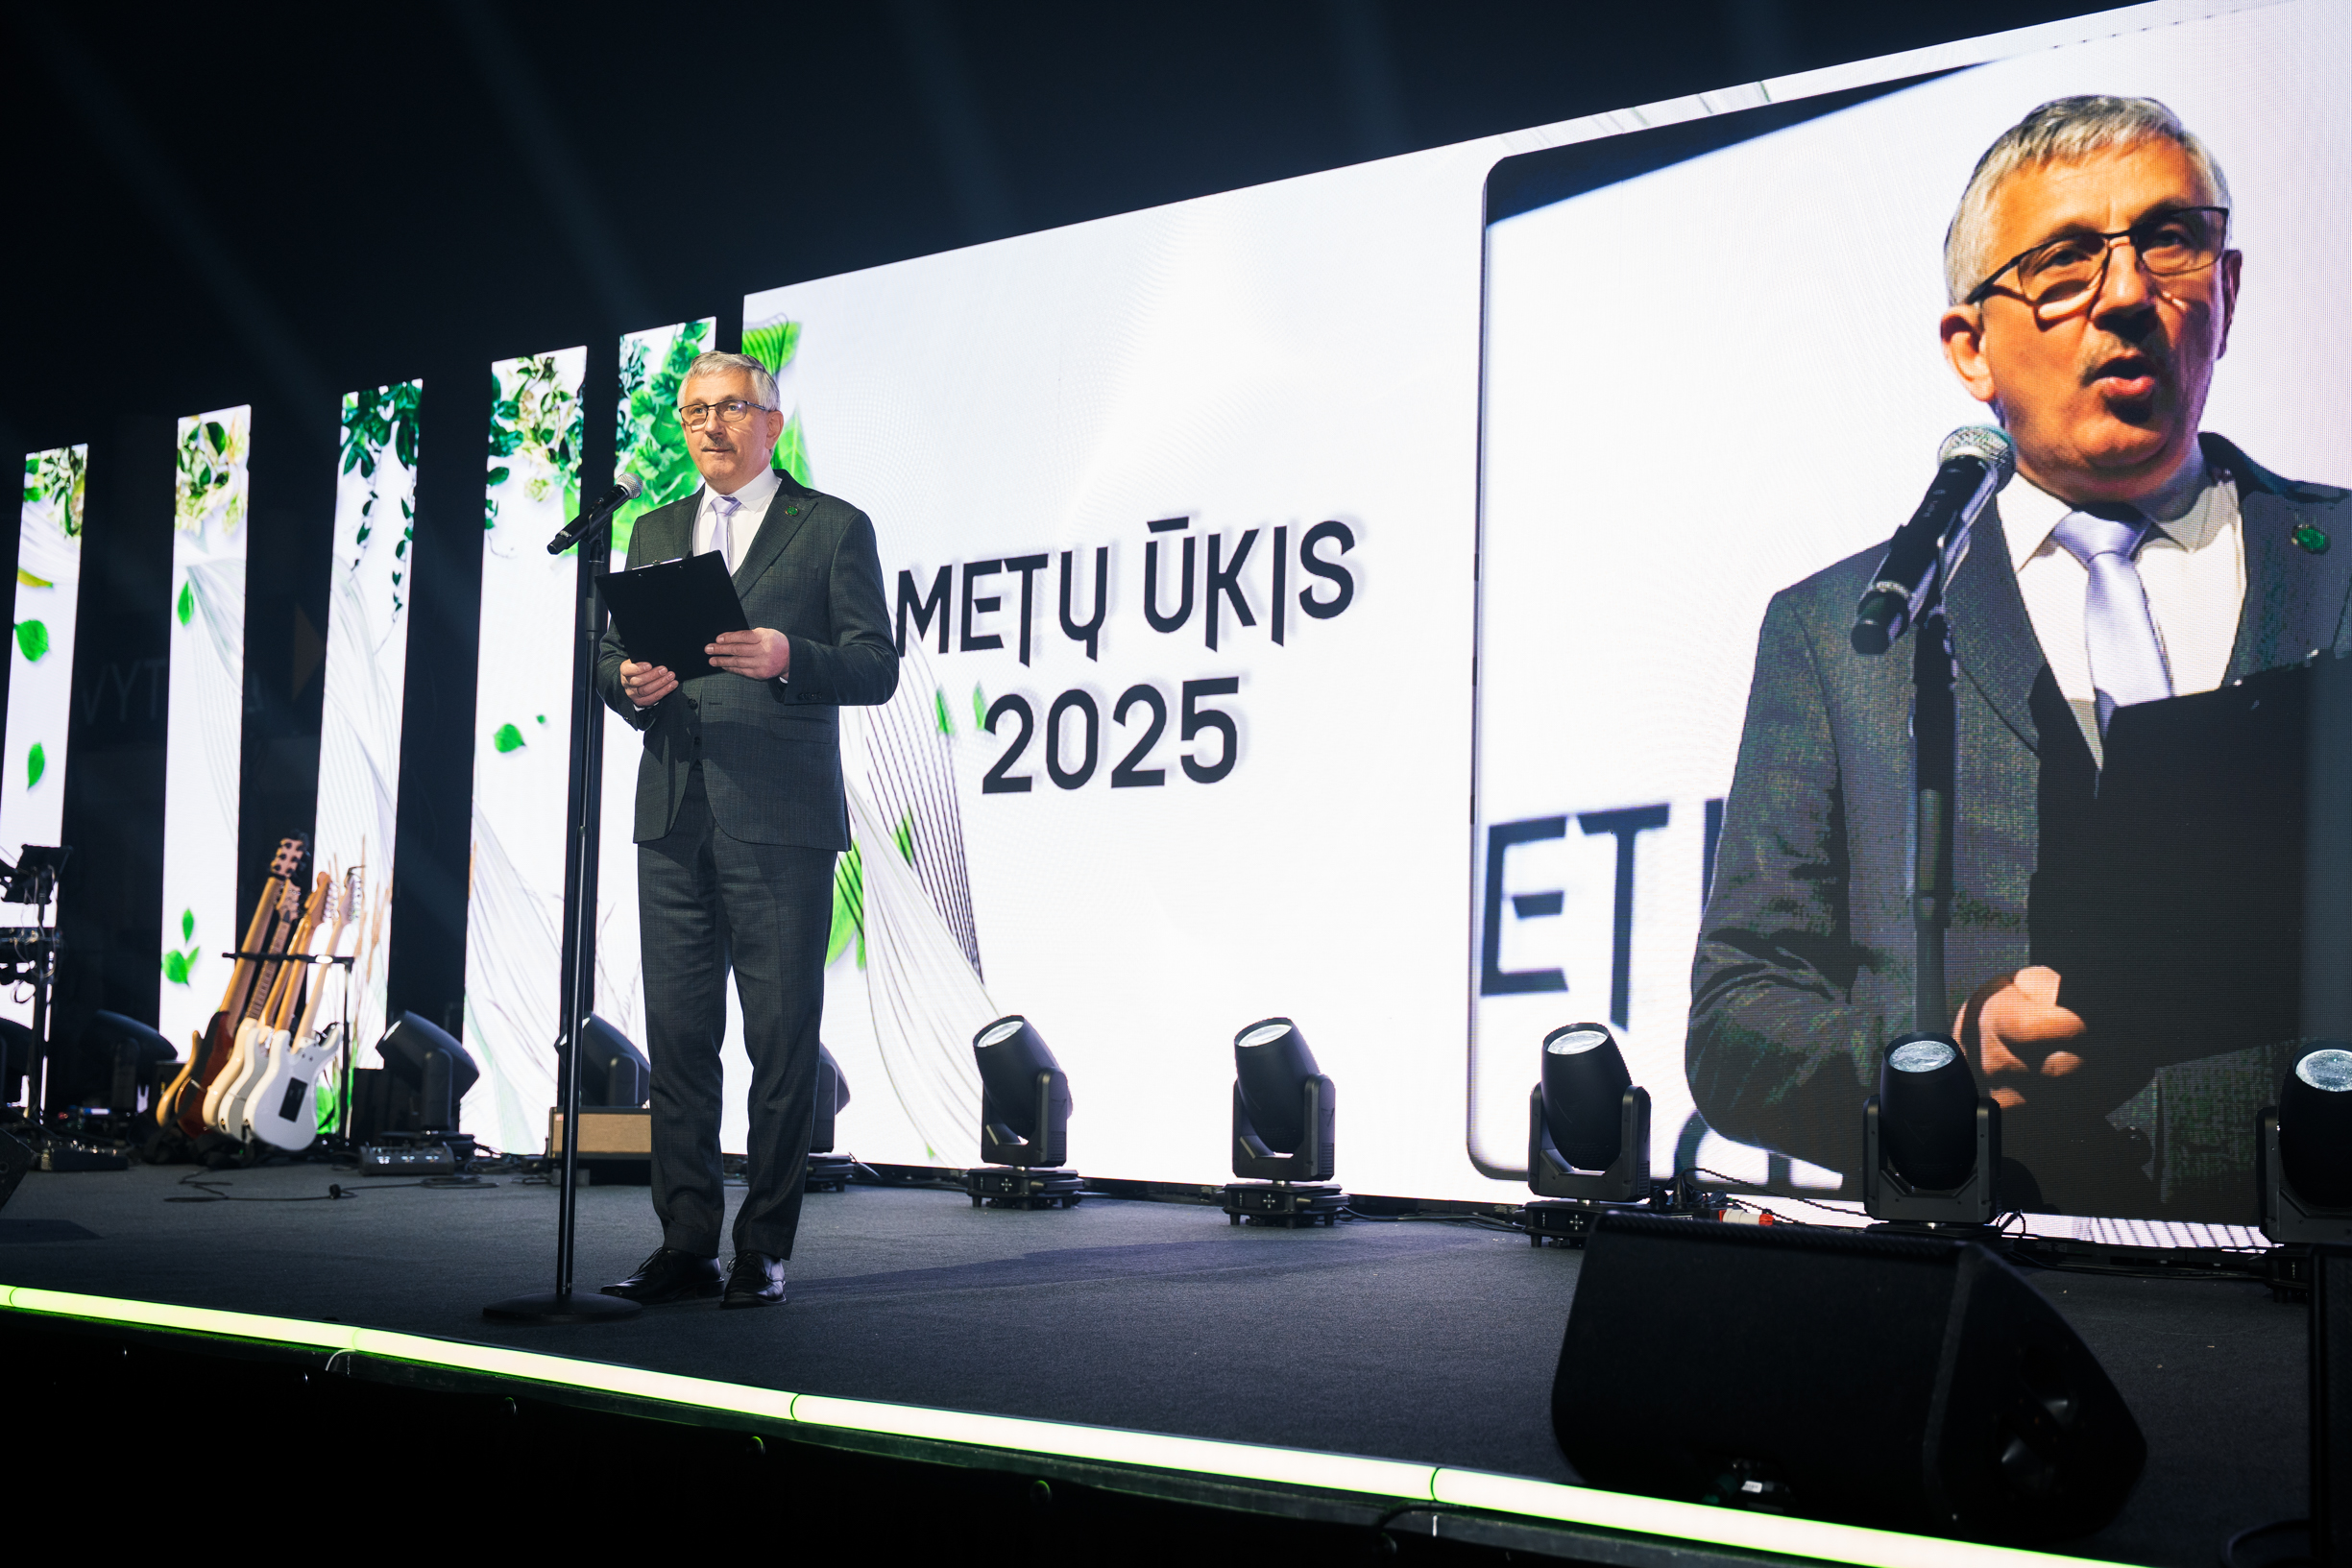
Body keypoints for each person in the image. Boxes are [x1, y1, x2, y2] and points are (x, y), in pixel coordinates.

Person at [1686, 97, 2352, 1217]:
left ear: (2227, 291)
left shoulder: (2340, 561)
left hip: (2314, 1274)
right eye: (2061, 264)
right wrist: (1944, 1055)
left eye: (2169, 241)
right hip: (1989, 1273)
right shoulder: (1845, 630)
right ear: (1970, 346)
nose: (2127, 295)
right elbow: (1736, 1021)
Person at [596, 350, 896, 1306]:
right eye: (694, 413)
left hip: (780, 819)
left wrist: (787, 655)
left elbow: (875, 665)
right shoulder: (652, 529)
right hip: (672, 812)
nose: (710, 426)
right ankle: (685, 1243)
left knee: (779, 1041)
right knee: (680, 1041)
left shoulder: (832, 527)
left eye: (729, 408)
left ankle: (764, 1245)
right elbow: (609, 651)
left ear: (772, 421)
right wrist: (627, 682)